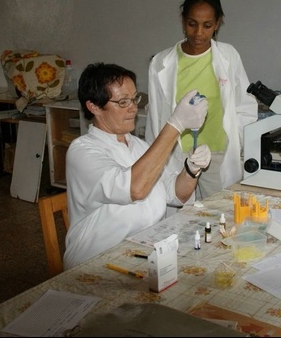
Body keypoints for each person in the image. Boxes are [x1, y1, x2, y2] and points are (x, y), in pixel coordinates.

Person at [63, 63, 211, 270]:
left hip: (140, 250)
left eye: (134, 99)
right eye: (123, 102)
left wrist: (191, 170)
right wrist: (176, 124)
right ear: (94, 107)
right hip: (96, 261)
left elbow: (176, 194)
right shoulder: (82, 151)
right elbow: (134, 189)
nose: (133, 108)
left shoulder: (139, 146)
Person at [146, 0, 258, 203]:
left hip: (218, 155)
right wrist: (155, 159)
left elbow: (245, 106)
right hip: (177, 156)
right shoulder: (161, 62)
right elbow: (154, 117)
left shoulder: (228, 55)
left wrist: (238, 143)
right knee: (179, 215)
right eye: (192, 24)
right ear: (183, 21)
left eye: (207, 25)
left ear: (217, 24)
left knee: (219, 214)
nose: (198, 33)